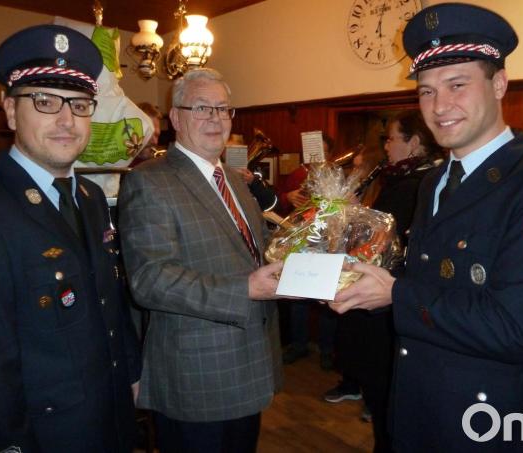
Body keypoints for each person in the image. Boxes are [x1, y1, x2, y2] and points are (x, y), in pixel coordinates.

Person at [331, 4, 523, 452]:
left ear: (499, 83)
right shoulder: (435, 180)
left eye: (457, 85)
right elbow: (429, 279)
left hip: (485, 423)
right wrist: (361, 279)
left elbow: (514, 329)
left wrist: (395, 294)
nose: (439, 107)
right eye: (425, 92)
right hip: (415, 407)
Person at [0, 24, 142, 453]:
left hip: (110, 416)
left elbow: (111, 301)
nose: (67, 120)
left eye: (79, 104)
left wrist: (132, 376)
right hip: (45, 436)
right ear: (9, 111)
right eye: (44, 101)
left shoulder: (92, 196)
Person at [117, 68, 285, 453]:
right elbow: (150, 279)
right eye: (202, 108)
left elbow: (255, 248)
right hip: (196, 375)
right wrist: (245, 289)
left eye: (224, 109)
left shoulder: (237, 182)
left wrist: (313, 243)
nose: (216, 118)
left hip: (251, 360)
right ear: (175, 117)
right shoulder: (149, 180)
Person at [336, 110, 442, 452]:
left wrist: (351, 218)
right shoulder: (410, 179)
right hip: (397, 300)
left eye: (392, 138)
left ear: (414, 143)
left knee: (386, 396)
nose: (386, 146)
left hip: (391, 302)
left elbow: (381, 247)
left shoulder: (413, 185)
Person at [277, 134, 341, 371]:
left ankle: (326, 350)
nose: (315, 158)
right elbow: (280, 202)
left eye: (321, 152)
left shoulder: (336, 175)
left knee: (326, 301)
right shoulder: (297, 174)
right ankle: (298, 344)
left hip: (327, 244)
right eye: (312, 153)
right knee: (297, 299)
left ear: (329, 154)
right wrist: (287, 197)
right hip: (301, 242)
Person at [130, 101, 163, 167]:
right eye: (149, 134)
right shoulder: (121, 165)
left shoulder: (158, 162)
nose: (155, 142)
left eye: (157, 135)